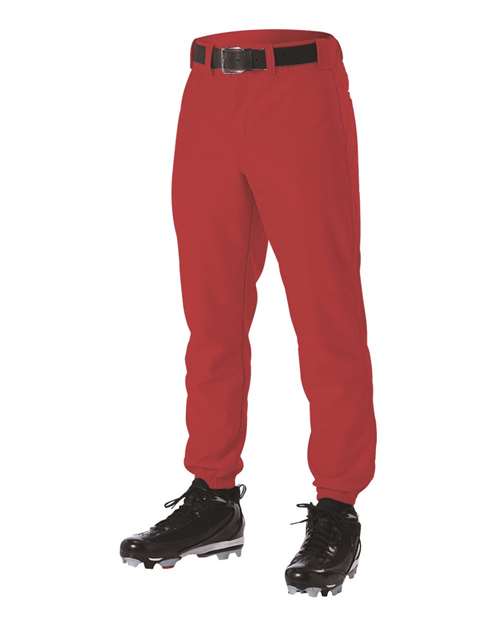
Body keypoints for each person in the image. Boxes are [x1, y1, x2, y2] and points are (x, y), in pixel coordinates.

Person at [120, 29, 376, 598]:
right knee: (211, 315)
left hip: (300, 91)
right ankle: (214, 498)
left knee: (325, 314)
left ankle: (338, 507)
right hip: (206, 90)